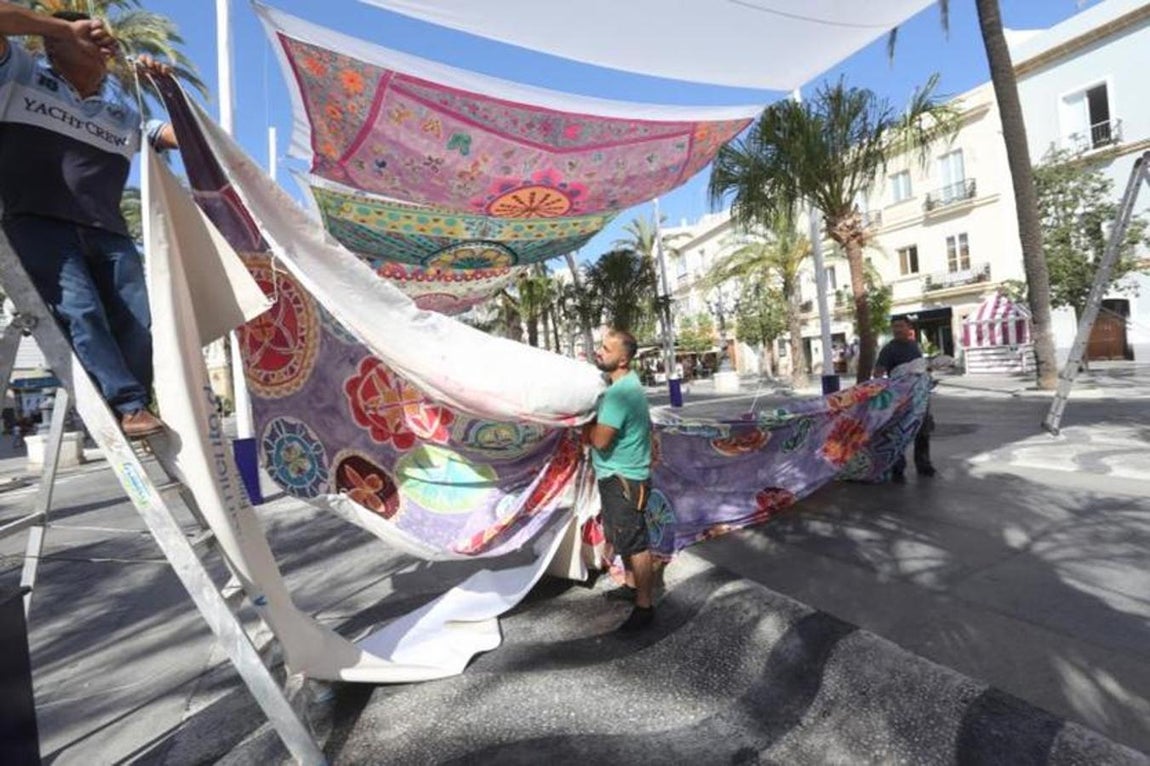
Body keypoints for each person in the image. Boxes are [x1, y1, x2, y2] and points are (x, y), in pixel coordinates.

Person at [0, 6, 177, 439]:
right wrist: (63, 26)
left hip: (109, 232)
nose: (103, 48)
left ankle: (132, 403)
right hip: (37, 223)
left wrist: (170, 91)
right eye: (91, 39)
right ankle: (129, 406)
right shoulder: (18, 76)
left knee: (141, 322)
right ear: (53, 47)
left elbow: (183, 138)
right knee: (82, 311)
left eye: (103, 41)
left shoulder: (122, 116)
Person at [584, 329, 656, 632]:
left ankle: (645, 606)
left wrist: (580, 426)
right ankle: (629, 586)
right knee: (624, 536)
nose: (599, 352)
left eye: (606, 348)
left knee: (635, 542)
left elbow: (600, 440)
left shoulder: (618, 394)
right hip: (624, 475)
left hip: (622, 479)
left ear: (623, 359)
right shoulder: (630, 384)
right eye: (601, 346)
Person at [874, 318, 936, 481]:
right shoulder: (888, 349)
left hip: (920, 397)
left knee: (923, 430)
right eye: (894, 327)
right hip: (900, 399)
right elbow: (878, 372)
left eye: (900, 326)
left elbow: (920, 367)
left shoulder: (914, 346)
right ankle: (897, 469)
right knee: (898, 432)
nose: (897, 329)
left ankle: (924, 465)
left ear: (909, 328)